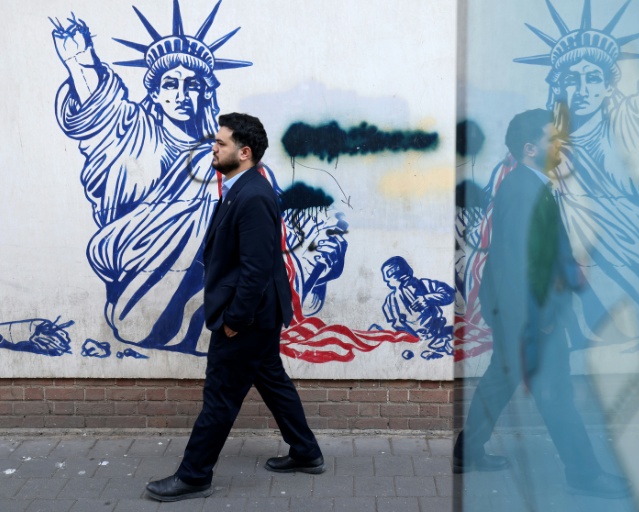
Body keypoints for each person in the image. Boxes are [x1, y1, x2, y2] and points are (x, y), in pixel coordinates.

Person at [50, 2, 348, 355]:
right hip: (136, 260)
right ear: (155, 92)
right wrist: (80, 62)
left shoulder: (219, 148)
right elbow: (100, 108)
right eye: (170, 84)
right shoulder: (131, 131)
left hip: (212, 270)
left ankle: (273, 285)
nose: (181, 94)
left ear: (204, 91)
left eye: (191, 84)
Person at [145, 113, 324, 502]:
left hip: (248, 317)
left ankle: (194, 475)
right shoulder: (242, 188)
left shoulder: (253, 195)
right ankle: (306, 452)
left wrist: (235, 320)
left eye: (221, 143)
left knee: (221, 395)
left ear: (244, 153)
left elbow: (257, 267)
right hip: (256, 316)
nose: (214, 147)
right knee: (271, 380)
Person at [453, 109, 627, 499]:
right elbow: (517, 263)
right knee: (556, 395)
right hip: (531, 317)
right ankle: (584, 473)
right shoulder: (523, 190)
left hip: (521, 314)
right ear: (531, 149)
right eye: (554, 141)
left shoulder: (530, 185)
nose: (561, 147)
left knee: (500, 379)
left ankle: (467, 452)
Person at [514, 3, 639, 342]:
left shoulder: (630, 123)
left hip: (638, 255)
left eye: (593, 78)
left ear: (608, 86)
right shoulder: (545, 143)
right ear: (559, 87)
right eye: (572, 80)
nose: (583, 89)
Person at [380, 256, 455, 359]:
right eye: (393, 276)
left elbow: (450, 294)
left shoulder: (424, 284)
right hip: (413, 345)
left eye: (401, 274)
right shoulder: (390, 301)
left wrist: (427, 298)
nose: (401, 279)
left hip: (438, 336)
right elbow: (393, 325)